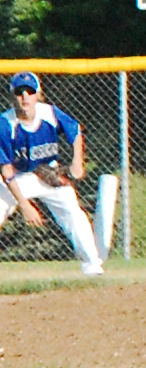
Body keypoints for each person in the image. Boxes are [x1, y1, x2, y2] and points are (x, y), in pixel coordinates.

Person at [3, 72, 104, 277]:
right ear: (12, 96)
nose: (25, 97)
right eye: (19, 92)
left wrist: (77, 162)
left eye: (30, 91)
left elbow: (75, 132)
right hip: (18, 178)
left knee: (73, 213)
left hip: (48, 174)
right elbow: (6, 170)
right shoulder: (5, 124)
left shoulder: (49, 113)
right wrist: (24, 205)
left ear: (38, 95)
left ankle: (92, 267)